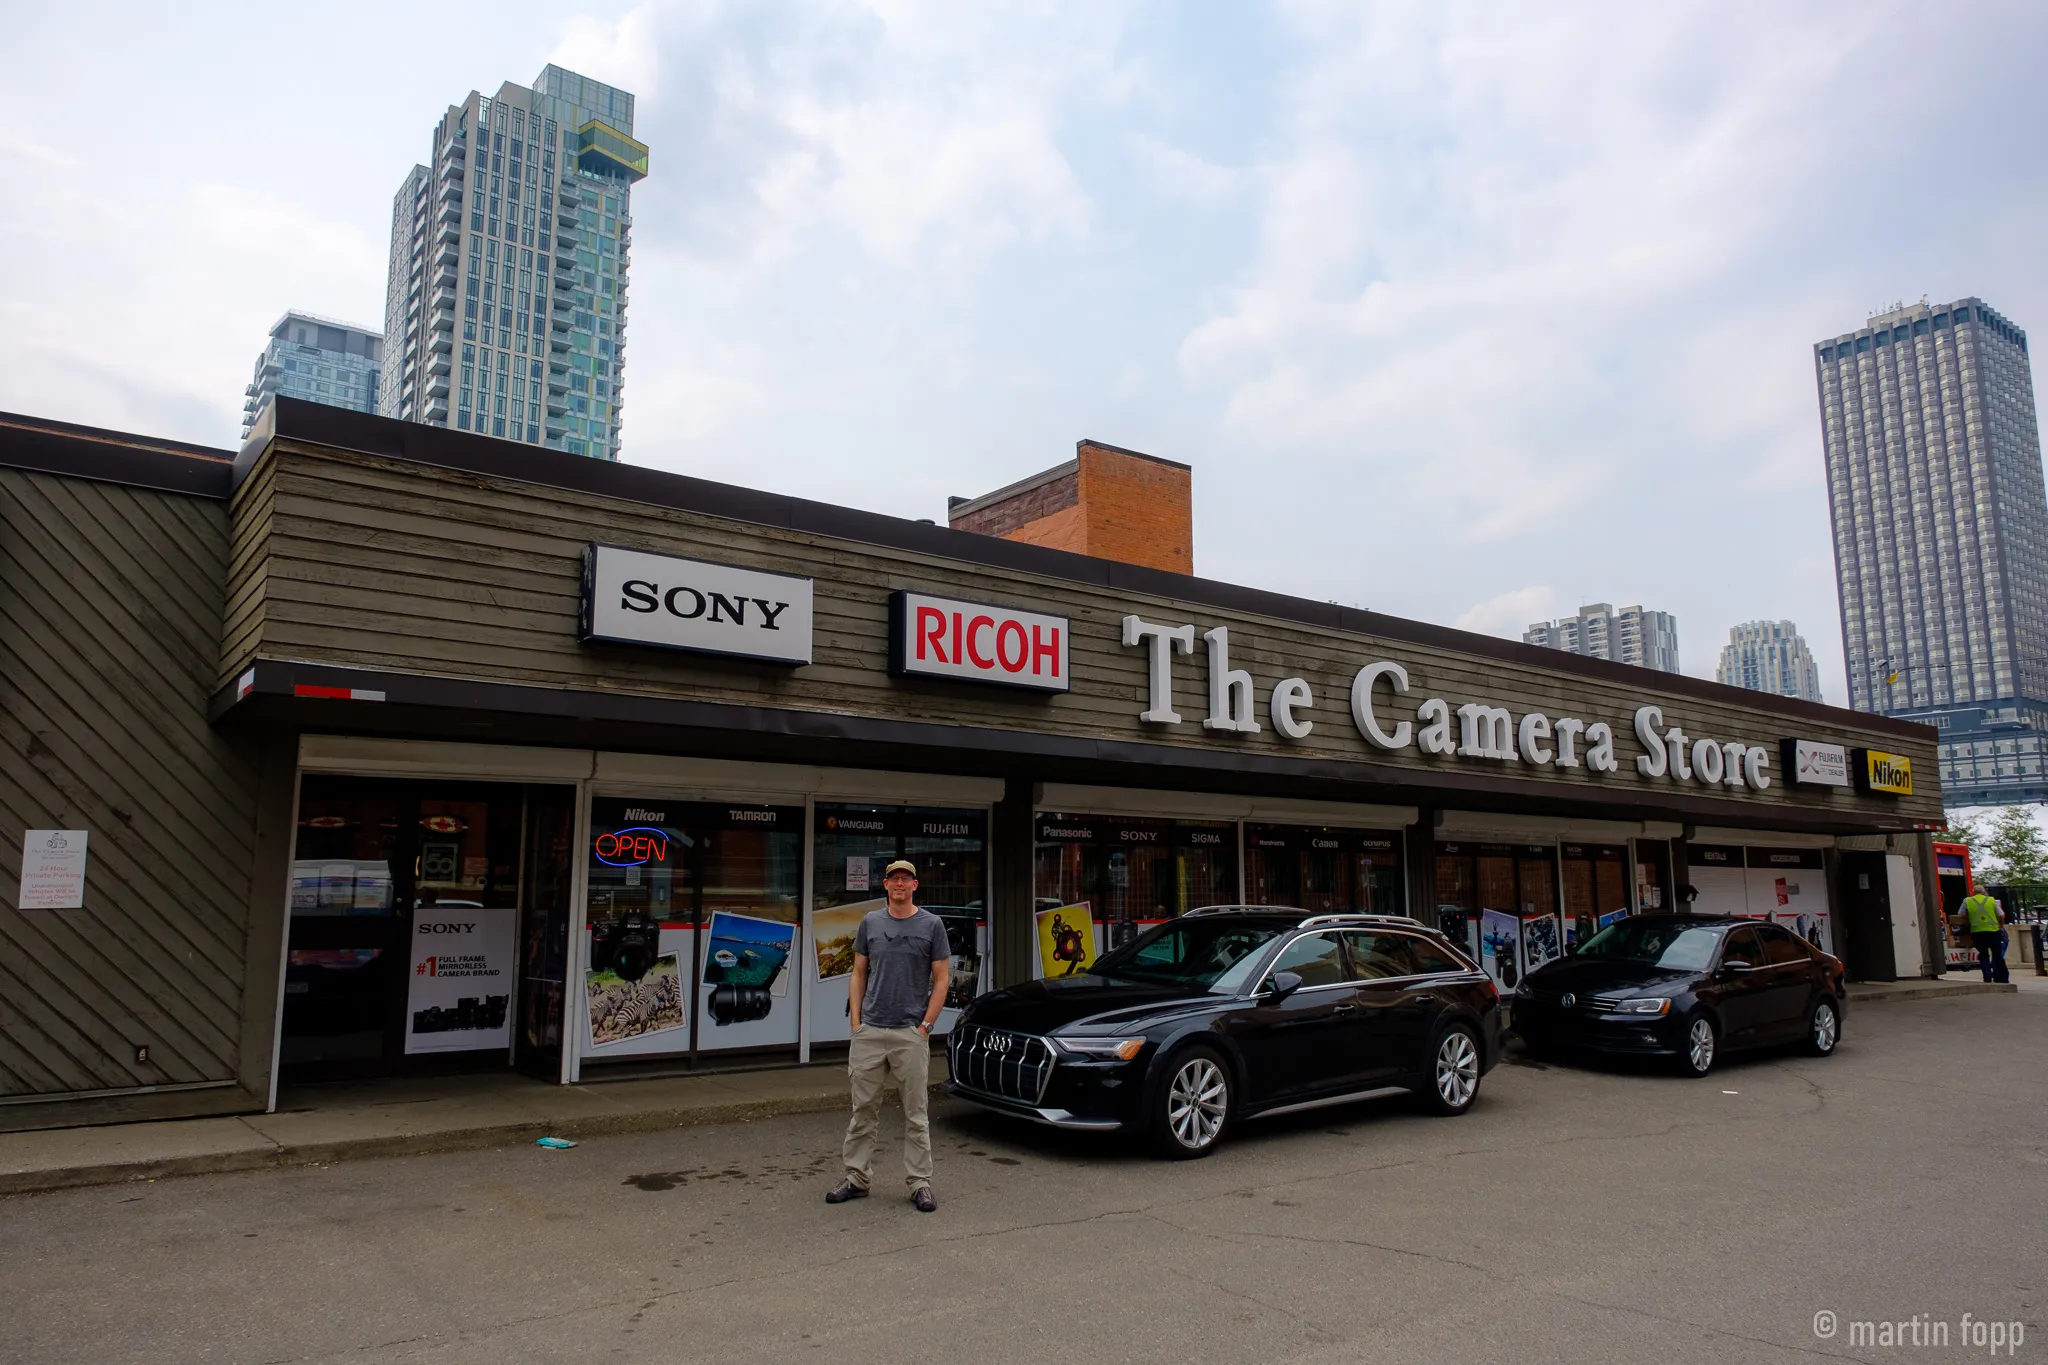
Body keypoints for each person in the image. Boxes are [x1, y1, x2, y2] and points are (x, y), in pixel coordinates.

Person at [826, 859, 951, 1213]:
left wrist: (926, 1025)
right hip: (870, 1031)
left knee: (916, 1112)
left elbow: (942, 978)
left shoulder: (932, 925)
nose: (899, 883)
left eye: (905, 879)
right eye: (894, 878)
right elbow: (858, 972)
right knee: (863, 1110)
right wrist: (856, 1024)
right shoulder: (870, 923)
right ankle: (856, 1177)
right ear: (885, 884)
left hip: (910, 1033)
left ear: (915, 885)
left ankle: (919, 1183)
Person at [1962, 887, 2010, 984]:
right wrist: (2001, 925)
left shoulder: (1967, 901)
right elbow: (2001, 915)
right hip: (1993, 931)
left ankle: (1987, 977)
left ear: (1973, 892)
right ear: (1984, 892)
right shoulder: (1991, 900)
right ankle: (2001, 977)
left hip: (1977, 932)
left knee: (1983, 954)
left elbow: (1961, 914)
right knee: (1997, 954)